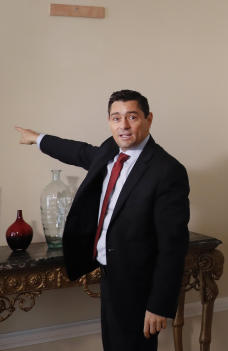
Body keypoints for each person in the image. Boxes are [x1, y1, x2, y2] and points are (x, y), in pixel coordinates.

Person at [16, 89, 190, 349]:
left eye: (132, 117)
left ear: (148, 119)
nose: (124, 126)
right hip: (109, 274)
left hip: (139, 284)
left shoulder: (168, 171)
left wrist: (159, 305)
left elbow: (173, 247)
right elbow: (78, 151)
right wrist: (37, 139)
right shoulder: (110, 150)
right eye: (116, 118)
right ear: (109, 121)